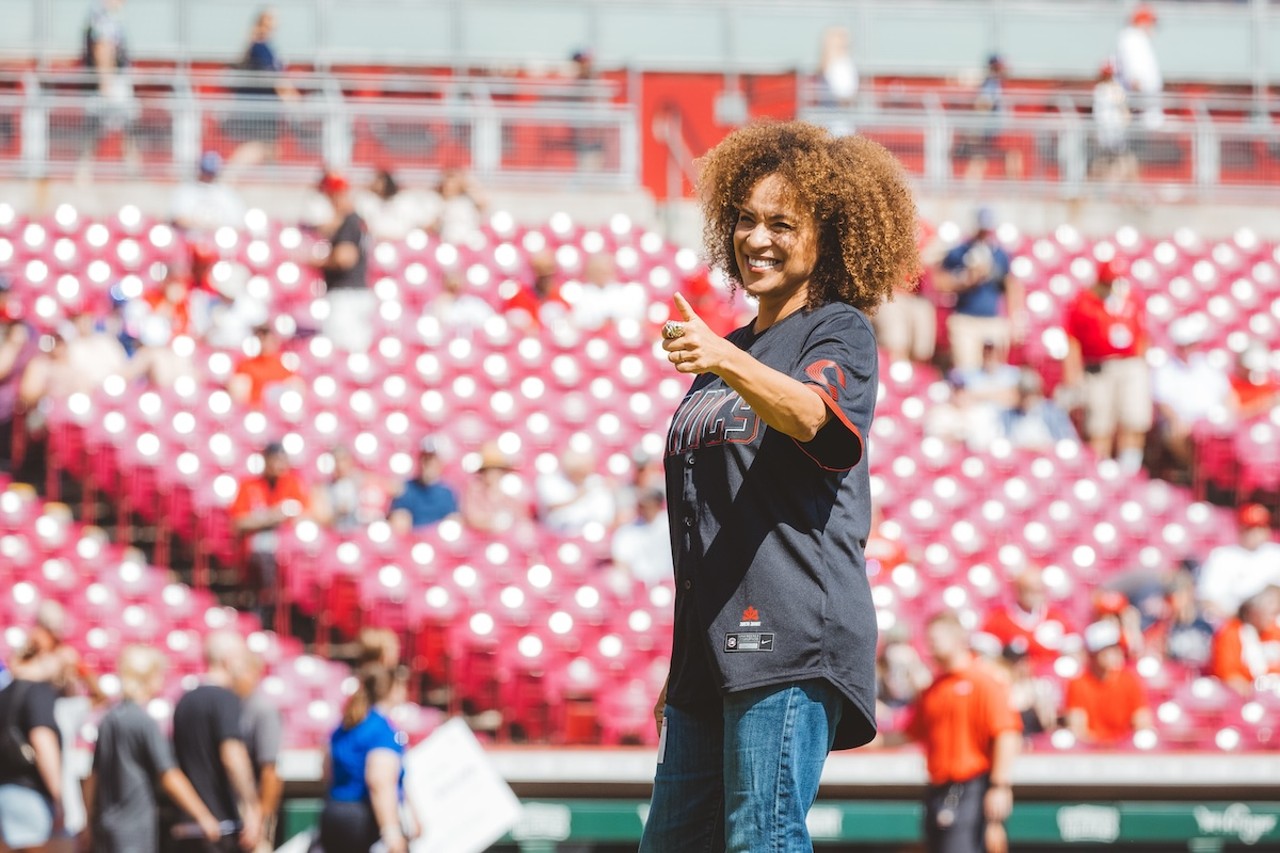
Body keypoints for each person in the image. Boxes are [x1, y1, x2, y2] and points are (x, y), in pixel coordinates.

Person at [640, 121, 918, 852]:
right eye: (746, 218)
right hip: (710, 656)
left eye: (783, 223)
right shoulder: (726, 350)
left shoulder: (839, 331)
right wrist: (685, 658)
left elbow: (818, 421)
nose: (756, 237)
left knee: (761, 837)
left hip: (790, 636)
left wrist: (727, 364)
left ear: (829, 238)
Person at [84, 646, 222, 853]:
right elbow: (168, 774)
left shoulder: (108, 719)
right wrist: (203, 815)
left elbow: (93, 777)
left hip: (105, 827)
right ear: (148, 677)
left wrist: (87, 823)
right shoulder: (143, 722)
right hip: (133, 830)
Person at [905, 612, 1021, 853]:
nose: (930, 645)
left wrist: (1000, 786)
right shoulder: (935, 688)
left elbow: (1007, 733)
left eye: (936, 638)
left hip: (971, 788)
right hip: (938, 788)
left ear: (958, 639)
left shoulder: (983, 681)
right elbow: (911, 733)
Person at [168, 632, 261, 853]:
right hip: (220, 826)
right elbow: (232, 755)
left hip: (187, 824)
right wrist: (252, 807)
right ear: (228, 659)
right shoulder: (225, 699)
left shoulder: (184, 700)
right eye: (241, 658)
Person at [1063, 257, 1151, 472]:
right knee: (1099, 424)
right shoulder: (1084, 302)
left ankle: (1129, 470)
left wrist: (1141, 360)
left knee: (1133, 419)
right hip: (1098, 368)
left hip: (1129, 365)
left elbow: (1142, 333)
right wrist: (1072, 373)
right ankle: (1100, 472)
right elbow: (1072, 339)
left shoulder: (1131, 299)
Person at [319, 665, 418, 853]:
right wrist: (391, 831)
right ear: (392, 689)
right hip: (361, 819)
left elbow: (326, 771)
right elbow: (379, 781)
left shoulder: (345, 724)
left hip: (333, 814)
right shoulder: (382, 730)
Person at [229, 442, 310, 630]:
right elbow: (238, 522)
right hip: (254, 556)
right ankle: (265, 608)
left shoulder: (293, 484)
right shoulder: (249, 485)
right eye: (275, 460)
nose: (279, 465)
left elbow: (307, 516)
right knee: (263, 548)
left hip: (289, 552)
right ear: (266, 461)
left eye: (283, 461)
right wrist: (272, 517)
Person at [935, 208, 1026, 371]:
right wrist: (967, 279)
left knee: (994, 372)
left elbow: (1011, 286)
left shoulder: (1000, 254)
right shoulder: (960, 251)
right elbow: (941, 282)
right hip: (966, 320)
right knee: (967, 370)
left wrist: (1015, 320)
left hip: (993, 321)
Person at [1151, 315, 1231, 473]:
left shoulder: (1207, 364)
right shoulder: (1165, 369)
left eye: (1191, 344)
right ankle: (1194, 473)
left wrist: (1231, 418)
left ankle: (1215, 476)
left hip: (1211, 420)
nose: (1187, 349)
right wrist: (1176, 420)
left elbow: (1227, 394)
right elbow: (1162, 402)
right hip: (1183, 422)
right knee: (1177, 433)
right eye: (1184, 345)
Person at [227, 8, 301, 172]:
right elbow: (275, 78)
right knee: (257, 145)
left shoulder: (265, 47)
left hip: (267, 108)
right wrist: (292, 98)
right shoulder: (259, 48)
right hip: (259, 107)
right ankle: (229, 176)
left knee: (272, 149)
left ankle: (271, 181)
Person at [0, 671, 63, 852]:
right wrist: (58, 797)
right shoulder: (37, 691)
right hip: (28, 797)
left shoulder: (4, 693)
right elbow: (42, 741)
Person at [1065, 620, 1154, 746]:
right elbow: (1078, 728)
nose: (1115, 654)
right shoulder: (1078, 684)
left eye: (1116, 649)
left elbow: (1142, 722)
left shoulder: (1129, 680)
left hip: (1124, 751)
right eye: (1108, 650)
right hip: (1092, 753)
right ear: (1093, 654)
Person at [313, 171, 374, 352]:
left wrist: (314, 261)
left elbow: (344, 258)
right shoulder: (357, 220)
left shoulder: (350, 221)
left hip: (345, 295)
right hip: (358, 292)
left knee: (341, 349)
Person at [981, 567, 1078, 671]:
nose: (1035, 595)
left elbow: (1075, 654)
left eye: (1039, 590)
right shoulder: (999, 620)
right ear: (1017, 590)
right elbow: (985, 658)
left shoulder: (1057, 618)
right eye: (1029, 590)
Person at [1195, 506, 1280, 623]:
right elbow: (1208, 599)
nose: (1255, 533)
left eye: (1260, 527)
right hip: (1232, 622)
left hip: (1270, 625)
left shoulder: (1275, 554)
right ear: (1240, 528)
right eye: (1250, 528)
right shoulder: (1222, 556)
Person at [235, 652, 282, 853]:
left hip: (252, 806)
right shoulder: (231, 705)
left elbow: (270, 771)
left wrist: (260, 818)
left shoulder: (262, 711)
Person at [1208, 586, 1280, 697]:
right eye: (1272, 612)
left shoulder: (1274, 631)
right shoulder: (1231, 633)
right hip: (1247, 701)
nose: (1273, 618)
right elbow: (1229, 677)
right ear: (1253, 611)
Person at [534, 447, 617, 537]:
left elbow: (606, 517)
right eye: (579, 472)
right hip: (558, 535)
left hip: (591, 535)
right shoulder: (549, 480)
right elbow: (551, 506)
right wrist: (577, 496)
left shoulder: (597, 482)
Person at [311, 445, 392, 533]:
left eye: (343, 460)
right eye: (336, 461)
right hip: (335, 536)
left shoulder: (365, 480)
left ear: (351, 461)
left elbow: (392, 487)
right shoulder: (323, 488)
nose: (340, 465)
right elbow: (320, 518)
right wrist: (338, 513)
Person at [460, 442, 533, 537]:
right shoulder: (474, 491)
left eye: (497, 470)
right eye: (489, 470)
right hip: (481, 540)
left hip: (508, 541)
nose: (493, 474)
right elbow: (472, 518)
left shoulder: (511, 491)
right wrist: (492, 523)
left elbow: (522, 518)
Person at [389, 438, 459, 533]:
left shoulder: (447, 493)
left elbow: (453, 522)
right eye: (426, 459)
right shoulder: (407, 488)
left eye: (433, 461)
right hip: (410, 542)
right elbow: (399, 519)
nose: (428, 465)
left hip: (438, 543)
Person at [998, 368, 1077, 451]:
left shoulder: (1052, 412)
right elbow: (1004, 442)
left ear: (1038, 393)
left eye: (1030, 394)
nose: (1027, 399)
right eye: (1024, 395)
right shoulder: (1009, 416)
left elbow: (1068, 440)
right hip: (1019, 459)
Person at [609, 487, 672, 588]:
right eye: (642, 505)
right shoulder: (627, 531)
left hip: (669, 583)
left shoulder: (671, 525)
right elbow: (621, 563)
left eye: (649, 504)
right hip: (639, 586)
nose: (644, 509)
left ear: (658, 504)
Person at [171, 153, 246, 234]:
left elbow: (238, 223)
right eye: (205, 172)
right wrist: (205, 227)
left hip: (220, 242)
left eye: (210, 173)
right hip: (190, 241)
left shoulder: (226, 193)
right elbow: (178, 219)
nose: (207, 176)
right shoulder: (186, 191)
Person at [1115, 3, 1163, 130]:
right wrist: (1139, 104)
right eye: (1151, 22)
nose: (1153, 27)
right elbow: (1134, 75)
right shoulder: (1132, 39)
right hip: (1139, 107)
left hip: (1142, 106)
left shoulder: (1137, 38)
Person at [229, 324, 298, 408]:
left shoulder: (283, 363)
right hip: (255, 410)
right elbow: (239, 392)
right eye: (262, 339)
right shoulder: (246, 364)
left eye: (268, 339)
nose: (266, 343)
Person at [1091, 62, 1137, 183]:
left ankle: (1118, 184)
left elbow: (1123, 109)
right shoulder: (1104, 89)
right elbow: (1124, 109)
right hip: (1110, 131)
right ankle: (1110, 185)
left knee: (1117, 158)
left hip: (1115, 131)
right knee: (1112, 159)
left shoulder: (1109, 89)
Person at [426, 168, 486, 246]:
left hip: (469, 241)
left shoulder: (466, 201)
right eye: (447, 184)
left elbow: (483, 204)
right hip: (449, 242)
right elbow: (430, 225)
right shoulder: (438, 202)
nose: (449, 187)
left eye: (453, 184)